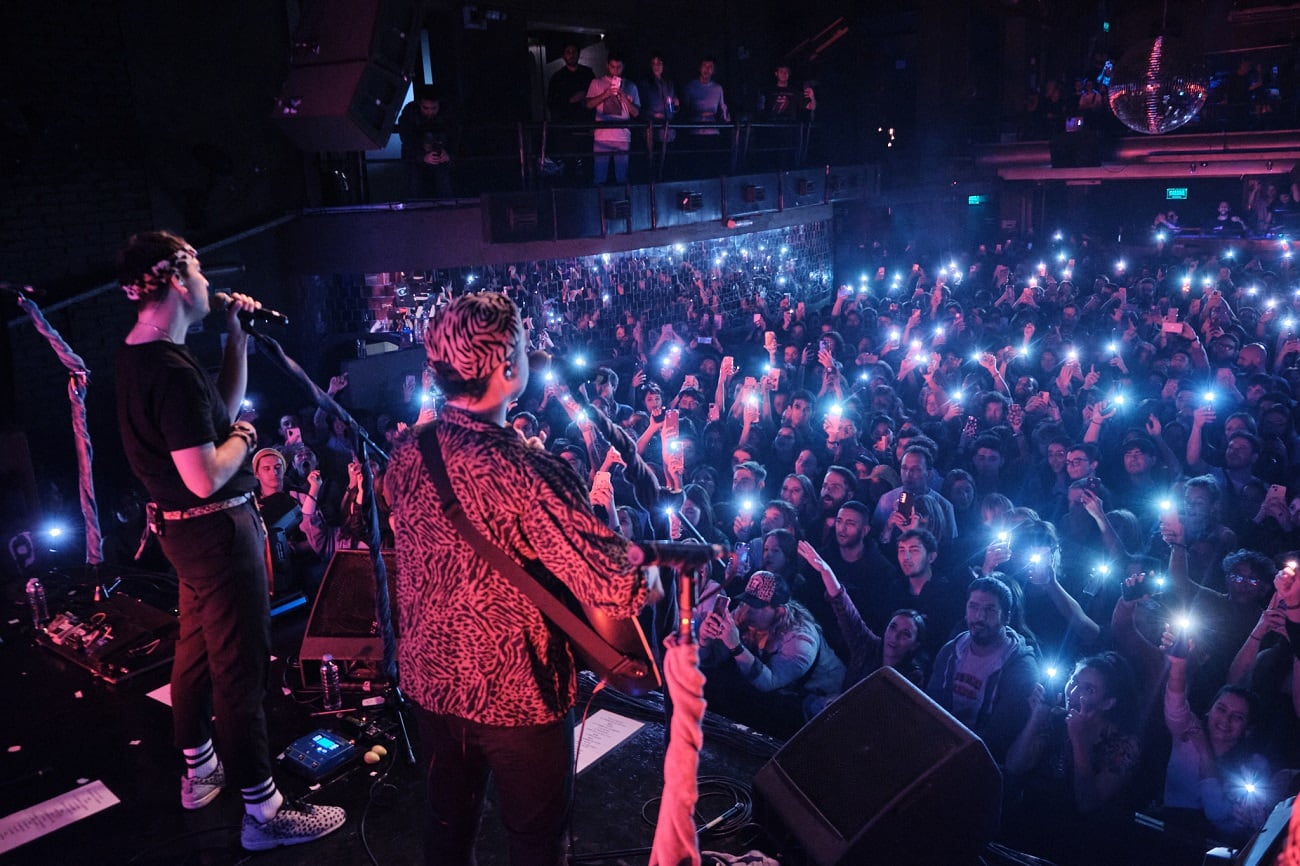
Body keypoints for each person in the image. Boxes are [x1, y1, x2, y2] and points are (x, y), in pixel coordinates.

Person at [385, 291, 658, 866]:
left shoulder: (408, 452)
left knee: (446, 827)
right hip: (518, 695)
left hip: (430, 681)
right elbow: (620, 587)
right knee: (535, 842)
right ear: (508, 368)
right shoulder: (531, 472)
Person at [113, 230, 345, 850]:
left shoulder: (143, 356)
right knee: (239, 671)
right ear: (175, 280)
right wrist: (245, 435)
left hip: (186, 538)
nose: (209, 282)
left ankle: (200, 771)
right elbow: (205, 473)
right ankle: (264, 813)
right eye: (197, 268)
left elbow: (214, 407)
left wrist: (238, 339)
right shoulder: (168, 370)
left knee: (193, 651)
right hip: (218, 531)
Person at [927, 576, 1039, 763]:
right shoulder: (951, 651)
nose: (979, 617)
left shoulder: (1021, 668)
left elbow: (1000, 736)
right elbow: (931, 703)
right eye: (973, 607)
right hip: (940, 746)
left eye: (990, 610)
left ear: (1006, 617)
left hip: (981, 761)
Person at [585, 53, 640, 185]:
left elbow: (636, 113)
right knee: (599, 177)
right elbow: (588, 105)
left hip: (622, 136)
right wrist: (605, 94)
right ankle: (599, 203)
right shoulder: (597, 83)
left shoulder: (631, 86)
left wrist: (624, 97)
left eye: (618, 67)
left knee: (622, 178)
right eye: (612, 66)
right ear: (607, 66)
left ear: (623, 67)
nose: (615, 70)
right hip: (602, 137)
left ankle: (623, 202)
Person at [546, 44, 595, 181]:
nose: (571, 54)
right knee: (570, 165)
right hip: (567, 129)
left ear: (578, 54)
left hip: (585, 127)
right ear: (563, 55)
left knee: (588, 164)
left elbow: (596, 98)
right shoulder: (557, 78)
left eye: (574, 51)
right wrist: (570, 100)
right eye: (568, 52)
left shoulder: (587, 74)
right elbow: (552, 104)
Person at [397, 86, 456, 198]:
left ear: (439, 104)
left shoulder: (448, 112)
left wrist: (449, 154)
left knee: (444, 184)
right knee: (414, 186)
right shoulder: (410, 112)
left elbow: (455, 135)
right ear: (419, 104)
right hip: (415, 157)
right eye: (426, 108)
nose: (430, 112)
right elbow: (406, 138)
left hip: (440, 156)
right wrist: (421, 154)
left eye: (434, 108)